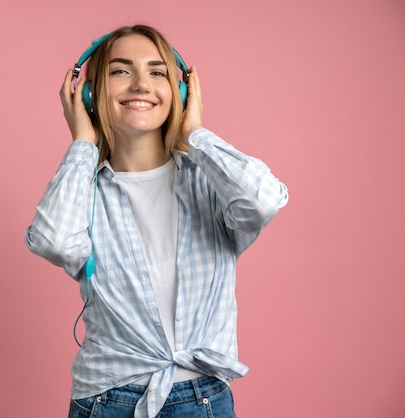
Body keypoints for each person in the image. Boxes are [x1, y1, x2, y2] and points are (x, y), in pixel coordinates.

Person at [25, 24, 288, 418]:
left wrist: (195, 132)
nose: (140, 84)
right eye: (120, 71)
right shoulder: (84, 190)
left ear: (180, 91)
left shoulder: (209, 181)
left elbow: (265, 200)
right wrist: (83, 142)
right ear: (90, 94)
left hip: (203, 399)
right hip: (106, 399)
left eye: (157, 71)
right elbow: (54, 241)